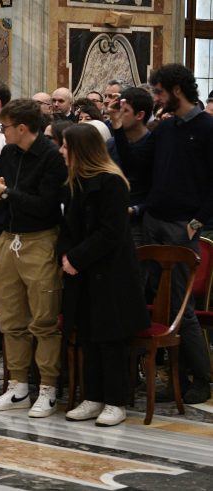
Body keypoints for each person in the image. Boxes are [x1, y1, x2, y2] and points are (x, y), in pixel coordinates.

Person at [112, 64, 212, 404]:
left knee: (181, 306)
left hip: (182, 225)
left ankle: (201, 379)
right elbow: (138, 167)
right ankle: (176, 378)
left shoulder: (207, 127)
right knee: (159, 302)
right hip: (153, 220)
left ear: (176, 91)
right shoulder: (166, 128)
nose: (156, 98)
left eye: (159, 92)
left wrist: (198, 221)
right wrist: (121, 130)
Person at [0, 99, 67, 418]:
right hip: (9, 238)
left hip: (40, 238)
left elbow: (46, 205)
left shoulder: (52, 157)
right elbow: (6, 196)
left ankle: (48, 389)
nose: (3, 131)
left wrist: (4, 193)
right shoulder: (9, 154)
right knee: (10, 317)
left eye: (6, 126)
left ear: (23, 128)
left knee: (43, 318)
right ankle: (18, 386)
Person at [57, 123, 150, 427]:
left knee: (110, 339)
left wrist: (77, 258)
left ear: (82, 150)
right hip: (82, 271)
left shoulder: (112, 182)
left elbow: (111, 232)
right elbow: (67, 227)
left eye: (66, 146)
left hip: (111, 274)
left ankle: (115, 401)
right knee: (87, 335)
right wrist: (66, 255)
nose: (61, 151)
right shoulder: (73, 182)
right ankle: (93, 396)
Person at [105, 87, 154, 246]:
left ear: (139, 115)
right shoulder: (111, 144)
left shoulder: (153, 144)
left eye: (125, 111)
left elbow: (156, 187)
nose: (119, 114)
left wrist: (136, 209)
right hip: (110, 218)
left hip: (137, 222)